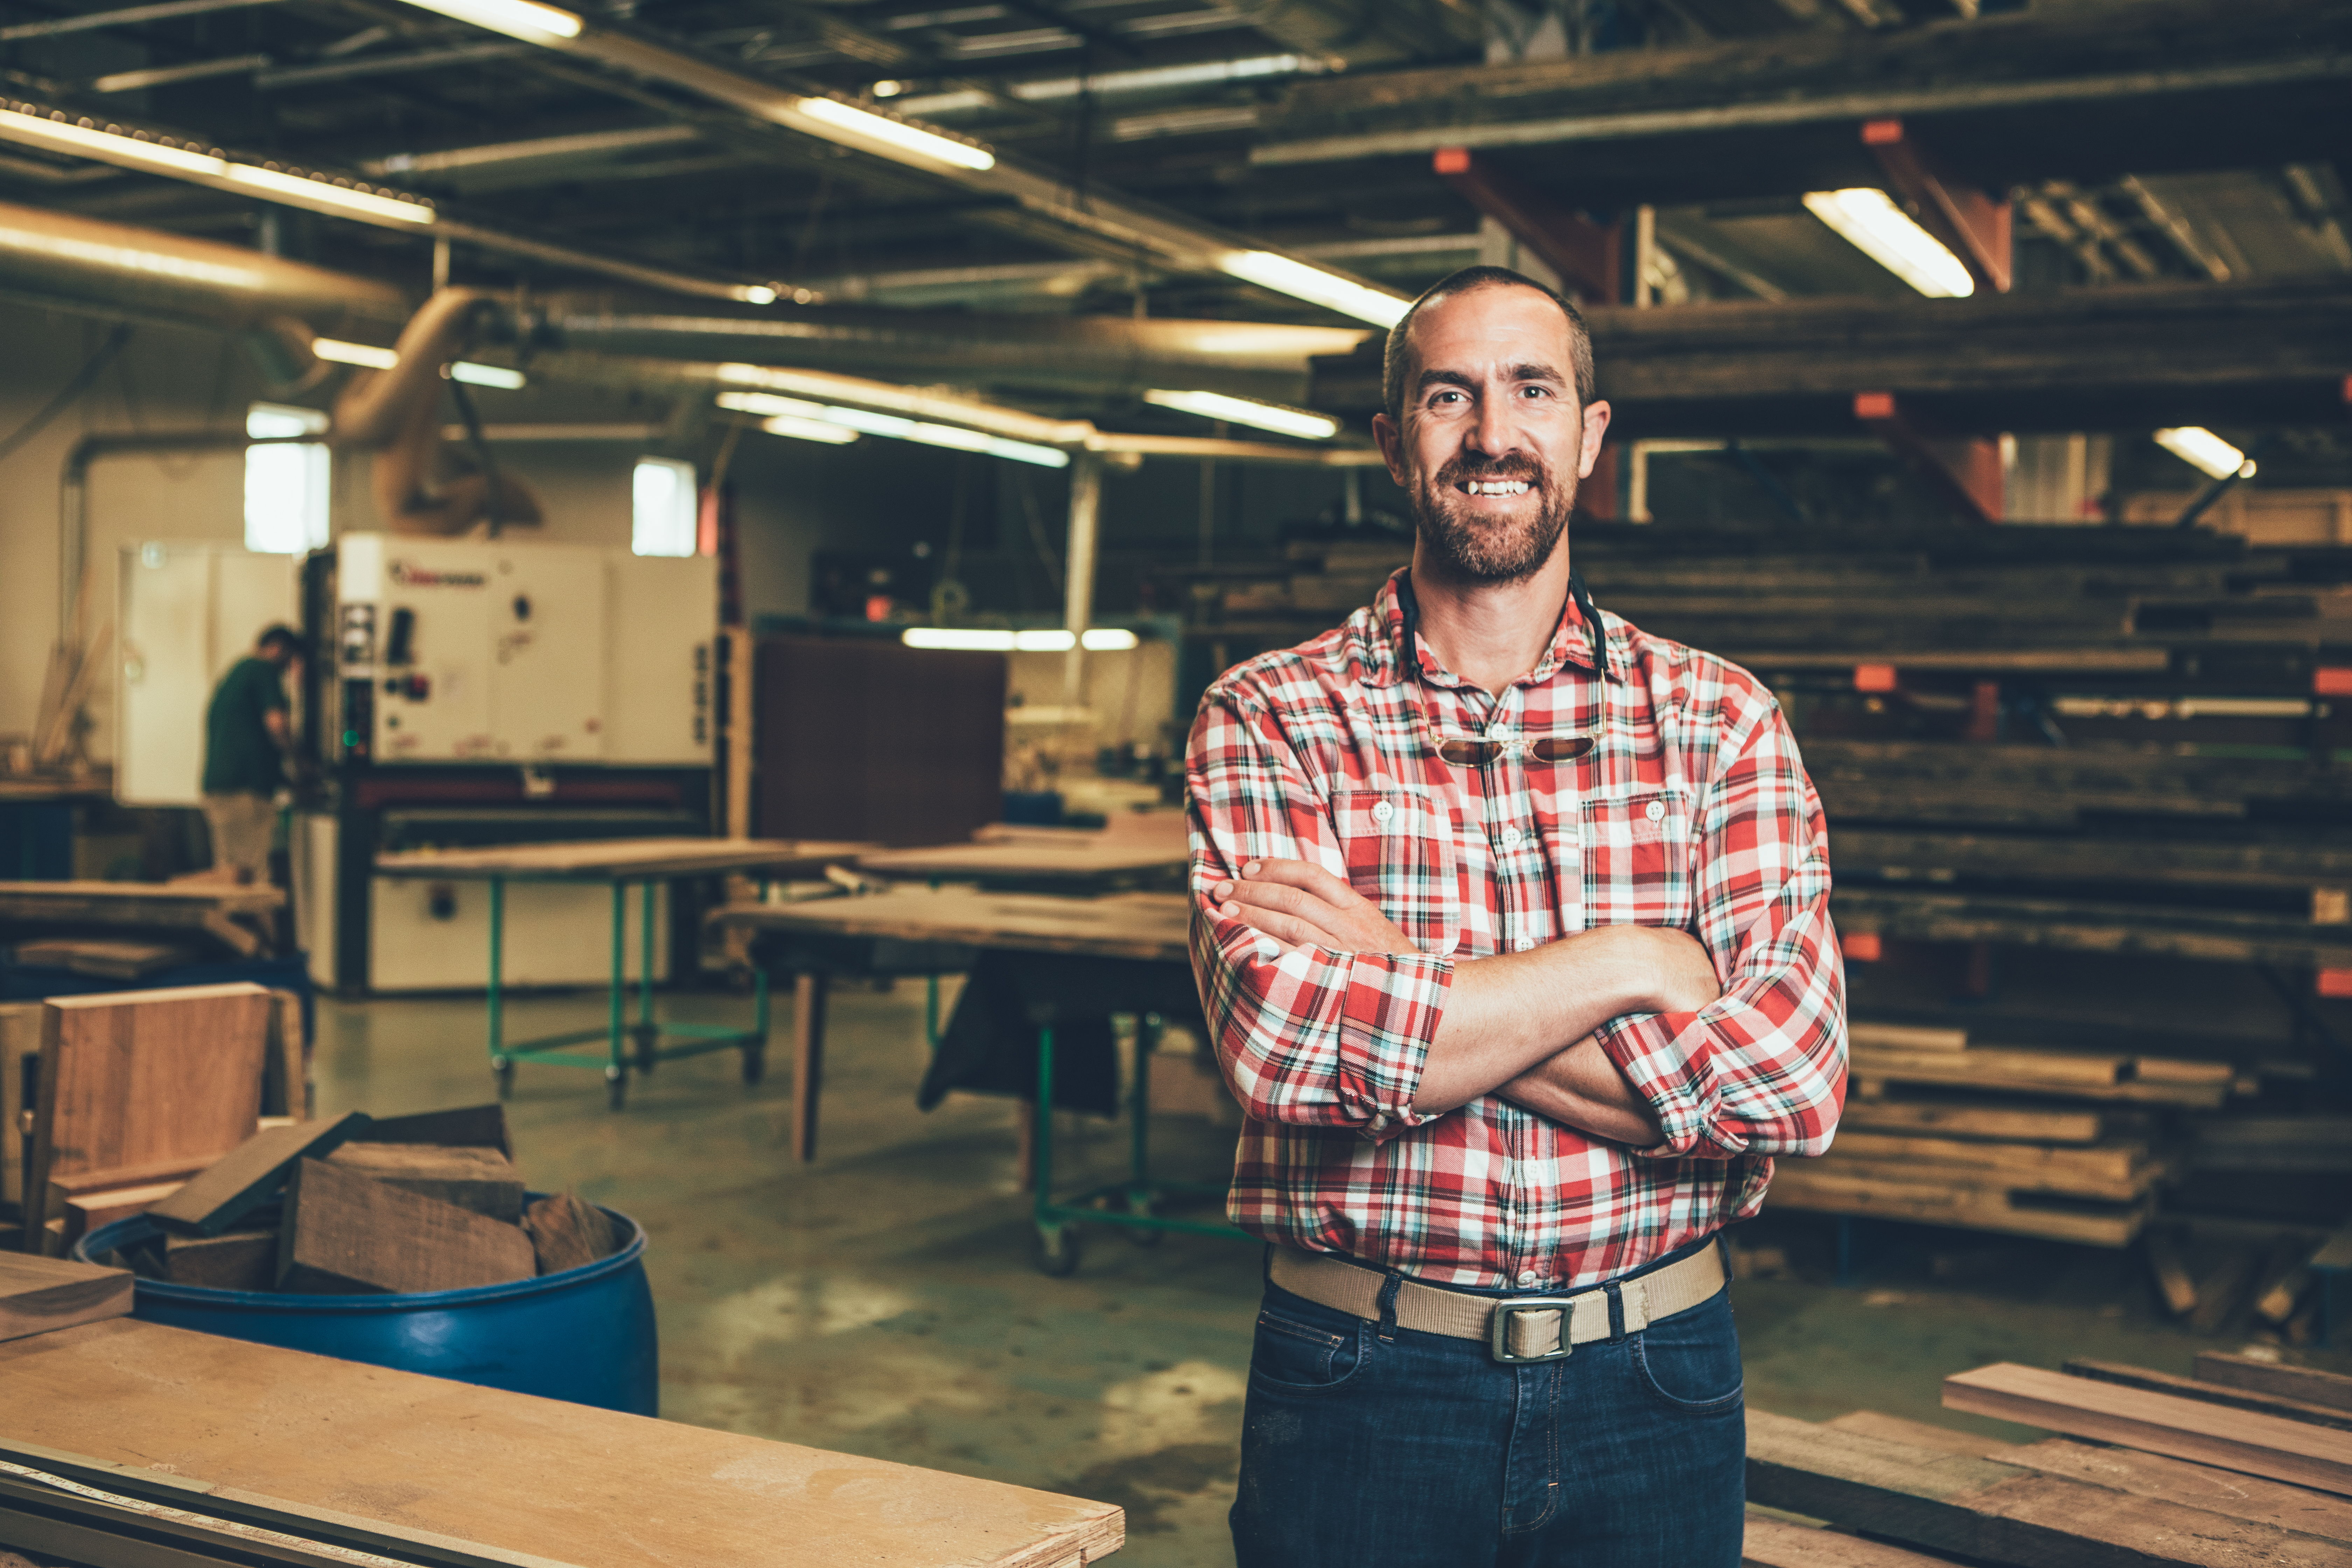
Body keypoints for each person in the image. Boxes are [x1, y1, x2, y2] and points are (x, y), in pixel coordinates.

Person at [1185, 265, 1847, 1568]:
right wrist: (1636, 964)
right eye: (1448, 395)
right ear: (1391, 443)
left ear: (1587, 438)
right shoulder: (1268, 715)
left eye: (1530, 391)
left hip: (1653, 1377)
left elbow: (1788, 1079)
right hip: (1361, 1372)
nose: (1491, 435)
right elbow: (1282, 1050)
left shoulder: (1717, 721)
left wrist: (1397, 975)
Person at [200, 624, 303, 884]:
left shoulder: (236, 674)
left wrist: (285, 779)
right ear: (278, 649)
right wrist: (299, 760)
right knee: (254, 878)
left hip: (220, 790)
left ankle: (235, 926)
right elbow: (277, 725)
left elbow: (248, 738)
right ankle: (258, 927)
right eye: (291, 660)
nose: (290, 670)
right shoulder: (262, 669)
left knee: (230, 875)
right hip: (244, 792)